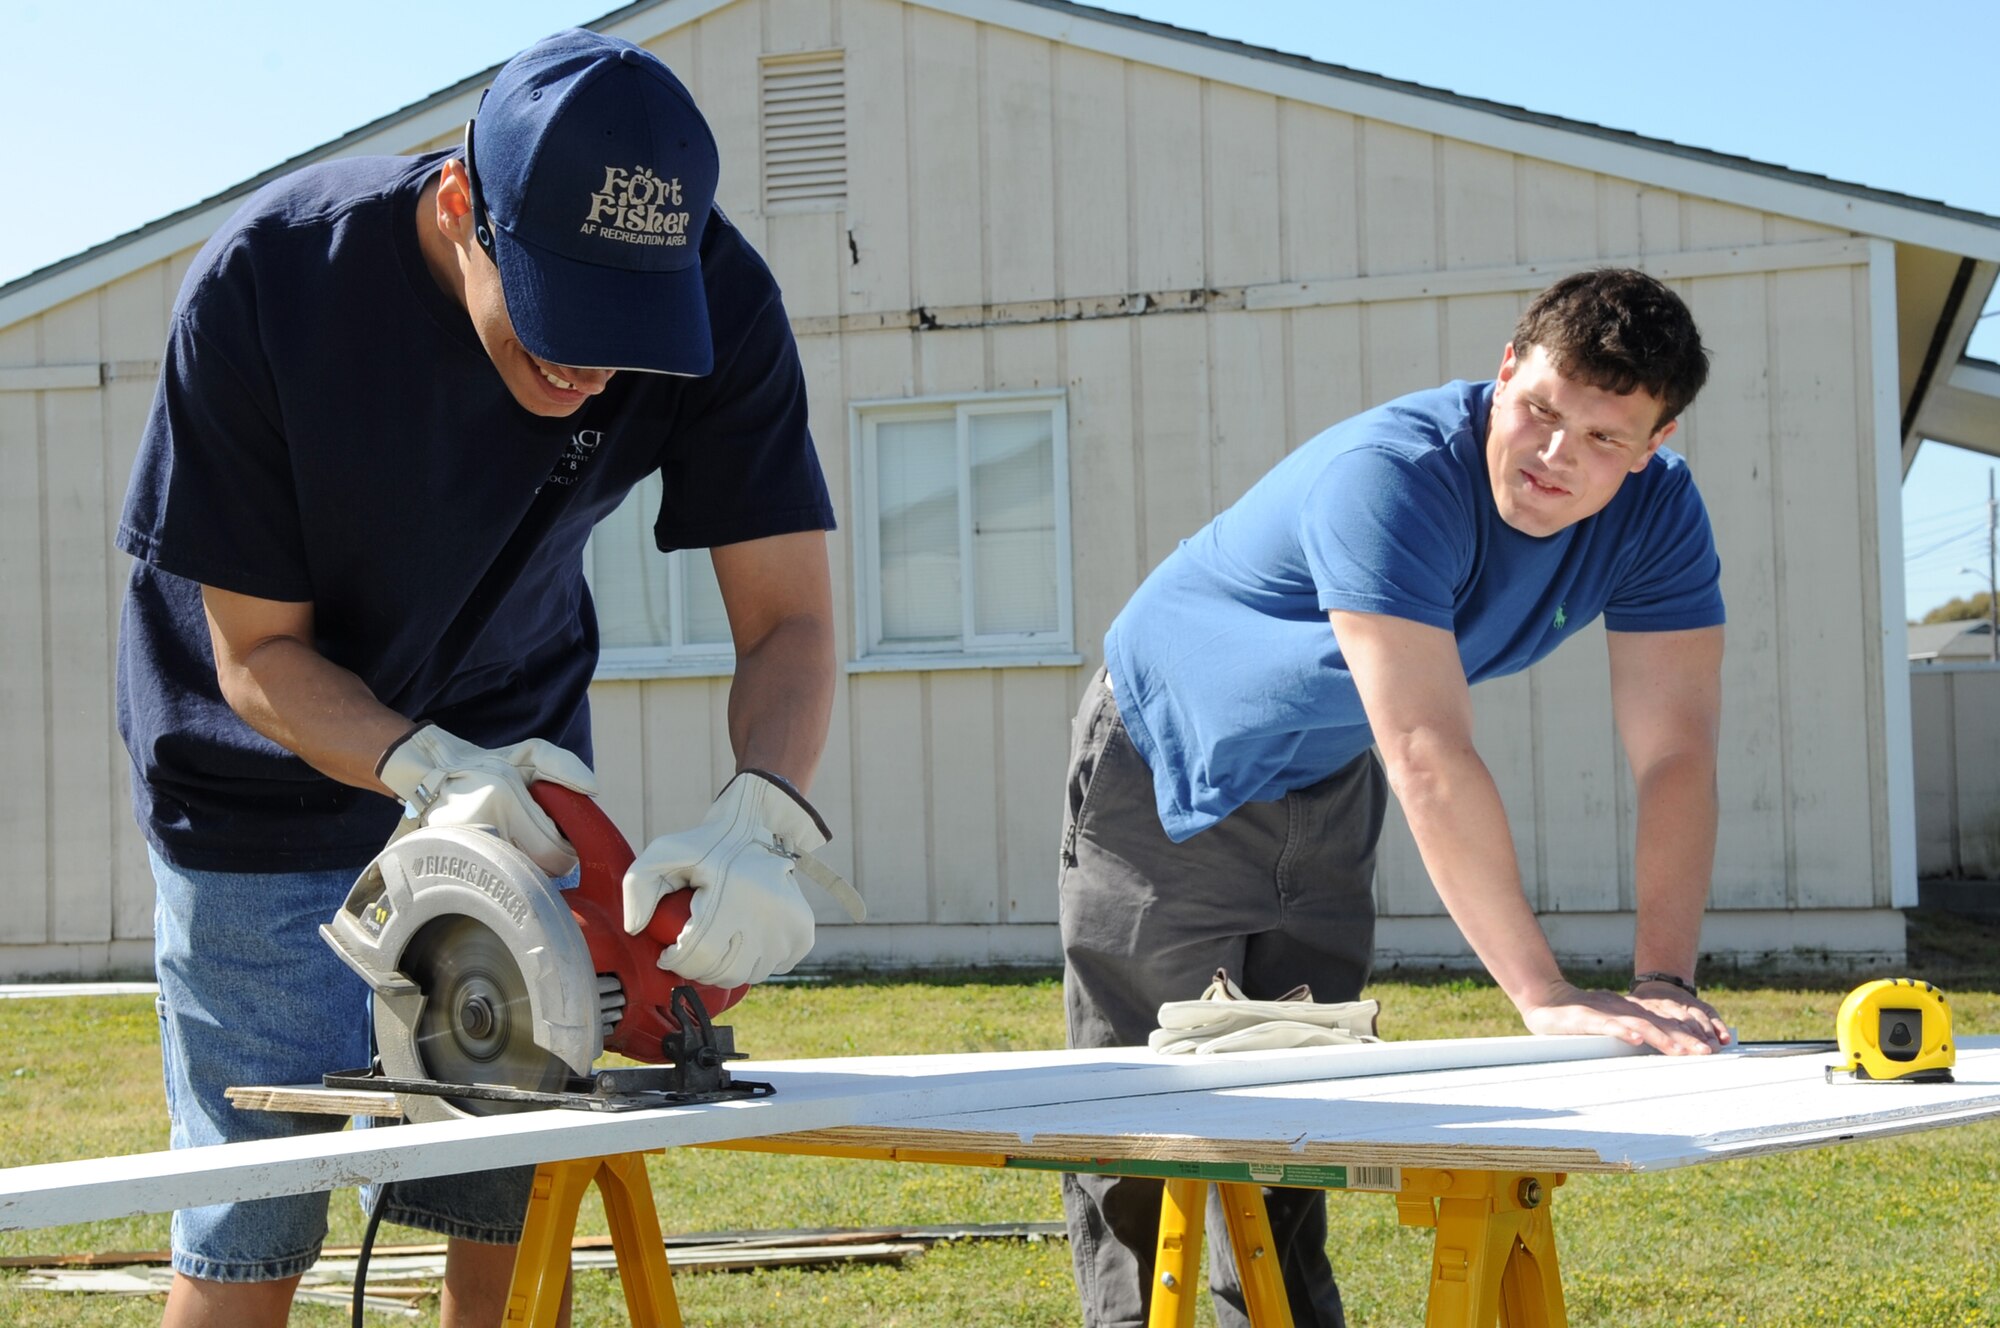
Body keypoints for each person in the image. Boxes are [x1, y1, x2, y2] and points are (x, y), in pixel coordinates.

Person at [115, 29, 841, 1328]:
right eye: (564, 319)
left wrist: (763, 811)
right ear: (462, 206)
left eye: (630, 334)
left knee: (507, 1200)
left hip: (516, 753)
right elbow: (257, 655)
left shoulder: (722, 301)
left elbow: (788, 620)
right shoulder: (273, 284)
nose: (592, 370)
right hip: (256, 775)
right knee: (253, 1223)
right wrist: (422, 770)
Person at [1058, 268, 1733, 1328]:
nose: (1555, 457)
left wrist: (1663, 977)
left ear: (1656, 438)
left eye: (1604, 438)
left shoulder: (1658, 514)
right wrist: (1544, 992)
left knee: (1300, 1113)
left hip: (1327, 765)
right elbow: (1425, 742)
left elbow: (1674, 753)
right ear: (1505, 369)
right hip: (1168, 753)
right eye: (1540, 411)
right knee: (1153, 1130)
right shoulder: (1395, 474)